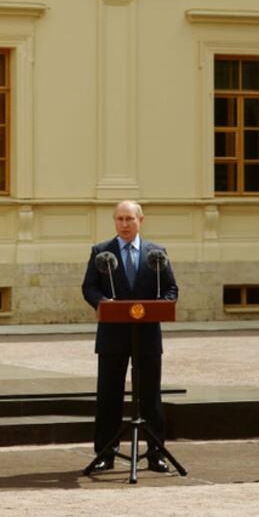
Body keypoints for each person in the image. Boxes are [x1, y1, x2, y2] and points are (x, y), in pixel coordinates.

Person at [81, 200, 179, 472]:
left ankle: (156, 453)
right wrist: (102, 302)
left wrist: (163, 302)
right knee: (108, 395)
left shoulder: (156, 253)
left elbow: (171, 288)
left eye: (129, 219)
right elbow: (89, 287)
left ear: (140, 220)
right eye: (119, 219)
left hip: (147, 334)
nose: (124, 224)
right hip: (113, 335)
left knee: (150, 395)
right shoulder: (101, 252)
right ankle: (105, 454)